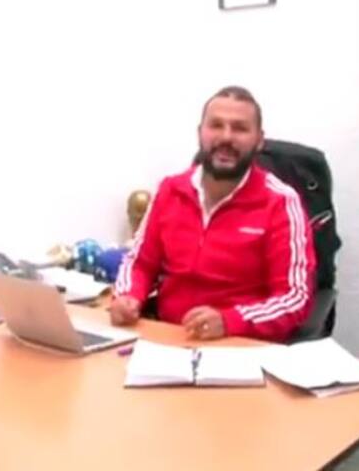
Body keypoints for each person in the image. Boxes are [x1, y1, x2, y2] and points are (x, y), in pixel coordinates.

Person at [110, 86, 316, 342]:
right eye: (216, 125)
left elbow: (294, 298)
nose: (226, 137)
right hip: (168, 339)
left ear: (259, 140)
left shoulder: (281, 202)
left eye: (239, 128)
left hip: (240, 345)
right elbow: (139, 263)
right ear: (200, 132)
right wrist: (128, 296)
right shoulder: (171, 190)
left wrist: (230, 321)